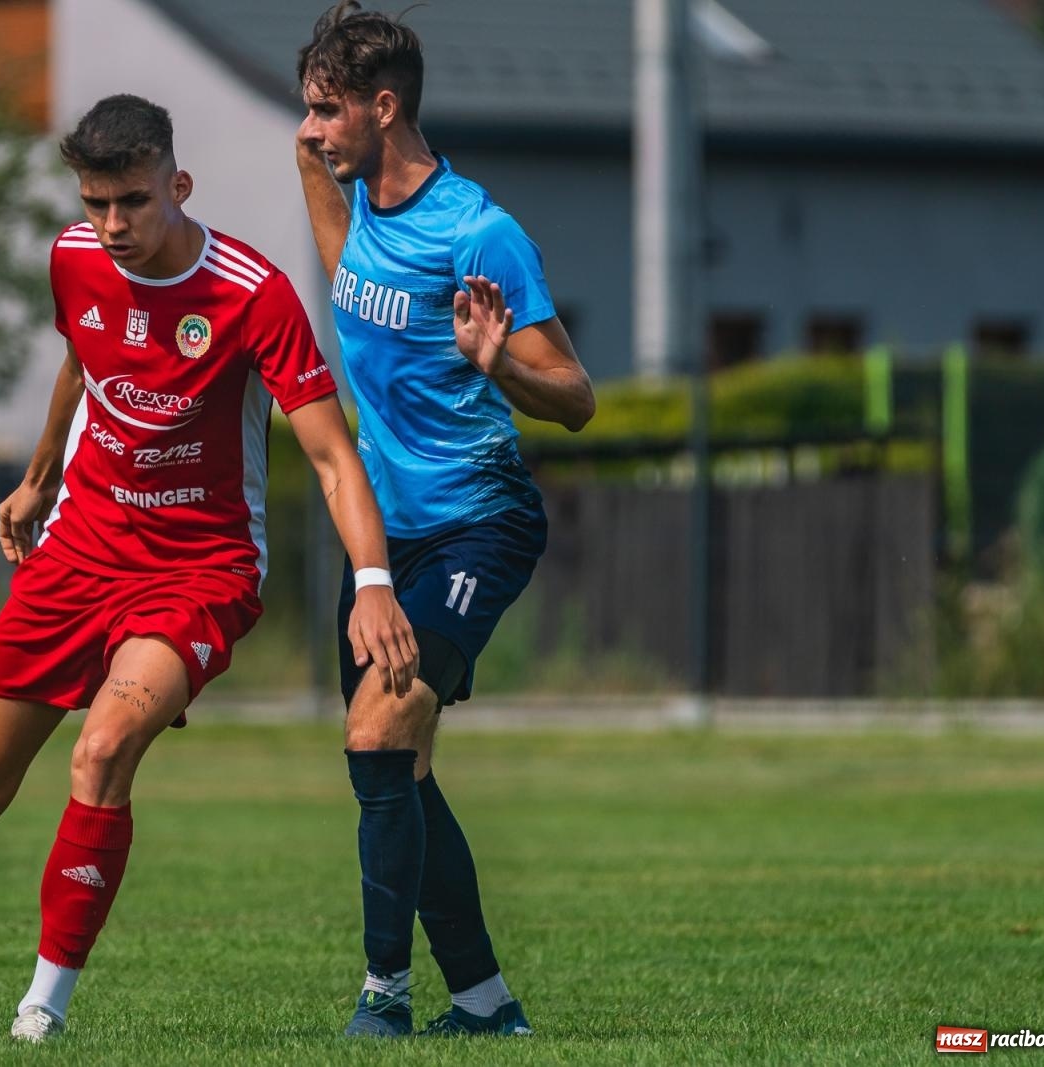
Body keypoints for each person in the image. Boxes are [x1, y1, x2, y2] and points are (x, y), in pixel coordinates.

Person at [0, 92, 418, 1045]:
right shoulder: (75, 259)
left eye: (132, 200)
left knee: (102, 750)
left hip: (199, 571)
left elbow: (334, 456)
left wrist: (372, 581)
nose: (112, 225)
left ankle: (39, 1015)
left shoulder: (251, 293)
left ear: (178, 183)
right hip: (78, 550)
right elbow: (81, 360)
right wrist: (39, 475)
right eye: (95, 202)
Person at [294, 1, 597, 1039]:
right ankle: (485, 1003)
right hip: (384, 537)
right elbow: (341, 269)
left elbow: (576, 396)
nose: (314, 129)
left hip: (479, 523)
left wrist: (496, 359)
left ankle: (384, 995)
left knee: (379, 732)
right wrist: (308, 156)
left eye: (328, 111)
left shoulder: (478, 229)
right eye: (307, 112)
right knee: (395, 767)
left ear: (385, 108)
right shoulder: (355, 207)